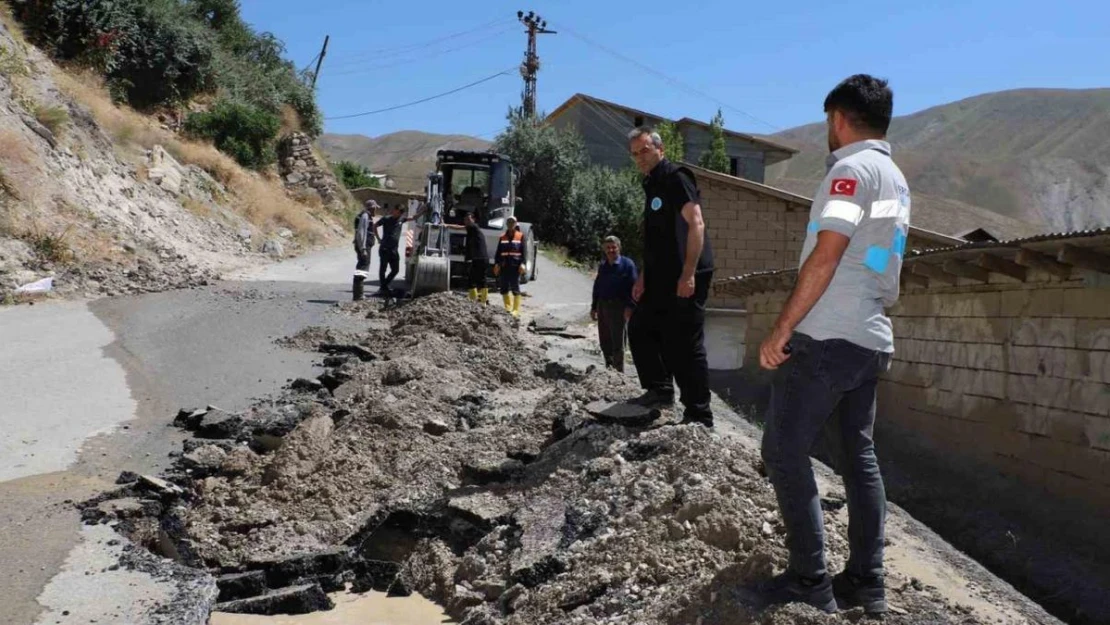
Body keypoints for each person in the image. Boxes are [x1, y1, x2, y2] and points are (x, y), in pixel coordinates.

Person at [747, 74, 909, 615]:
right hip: (867, 337)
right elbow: (883, 260)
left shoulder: (851, 171)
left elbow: (828, 252)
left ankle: (808, 582)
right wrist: (867, 299)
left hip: (827, 336)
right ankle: (867, 580)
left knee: (783, 450)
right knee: (859, 458)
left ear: (839, 119)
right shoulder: (894, 179)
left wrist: (782, 327)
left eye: (827, 124)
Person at [625, 127, 715, 427]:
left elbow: (696, 224)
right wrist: (642, 276)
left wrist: (689, 274)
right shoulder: (651, 183)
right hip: (661, 275)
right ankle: (660, 389)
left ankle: (699, 415)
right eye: (635, 154)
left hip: (687, 273)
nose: (640, 158)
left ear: (659, 149)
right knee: (641, 328)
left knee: (684, 344)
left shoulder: (677, 177)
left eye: (645, 150)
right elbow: (655, 237)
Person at [590, 235, 637, 372]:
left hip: (619, 307)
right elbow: (597, 286)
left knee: (618, 342)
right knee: (605, 340)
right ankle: (608, 368)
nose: (611, 250)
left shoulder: (628, 265)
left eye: (613, 247)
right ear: (604, 250)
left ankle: (618, 372)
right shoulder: (603, 266)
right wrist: (594, 307)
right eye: (608, 248)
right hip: (603, 306)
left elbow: (634, 288)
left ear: (619, 248)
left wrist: (630, 307)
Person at [375, 202, 422, 296]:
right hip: (384, 248)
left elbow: (413, 218)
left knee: (395, 270)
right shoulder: (386, 219)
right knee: (382, 269)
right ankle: (383, 288)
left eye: (399, 212)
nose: (397, 213)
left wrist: (423, 211)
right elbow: (374, 225)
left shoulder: (401, 219)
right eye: (396, 211)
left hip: (394, 250)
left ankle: (383, 286)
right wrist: (378, 238)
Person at [493, 216, 525, 317]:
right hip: (504, 266)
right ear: (506, 224)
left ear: (516, 224)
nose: (511, 224)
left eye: (513, 222)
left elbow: (523, 252)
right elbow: (498, 252)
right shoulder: (502, 237)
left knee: (515, 287)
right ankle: (507, 308)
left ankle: (515, 310)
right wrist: (497, 264)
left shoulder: (520, 236)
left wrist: (522, 263)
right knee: (504, 288)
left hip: (515, 267)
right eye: (509, 222)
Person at [352, 199, 378, 301]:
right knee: (362, 268)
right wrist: (363, 248)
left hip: (364, 246)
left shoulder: (365, 215)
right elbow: (361, 232)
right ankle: (358, 295)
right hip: (364, 246)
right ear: (372, 208)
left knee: (362, 268)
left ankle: (358, 294)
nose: (376, 210)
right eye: (375, 208)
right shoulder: (365, 216)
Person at [463, 210, 490, 304]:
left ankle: (476, 301)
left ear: (474, 219)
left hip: (479, 258)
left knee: (473, 281)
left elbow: (463, 227)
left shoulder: (473, 227)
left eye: (469, 219)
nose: (467, 221)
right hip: (482, 258)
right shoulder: (473, 229)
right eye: (465, 220)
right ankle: (482, 301)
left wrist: (447, 225)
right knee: (481, 280)